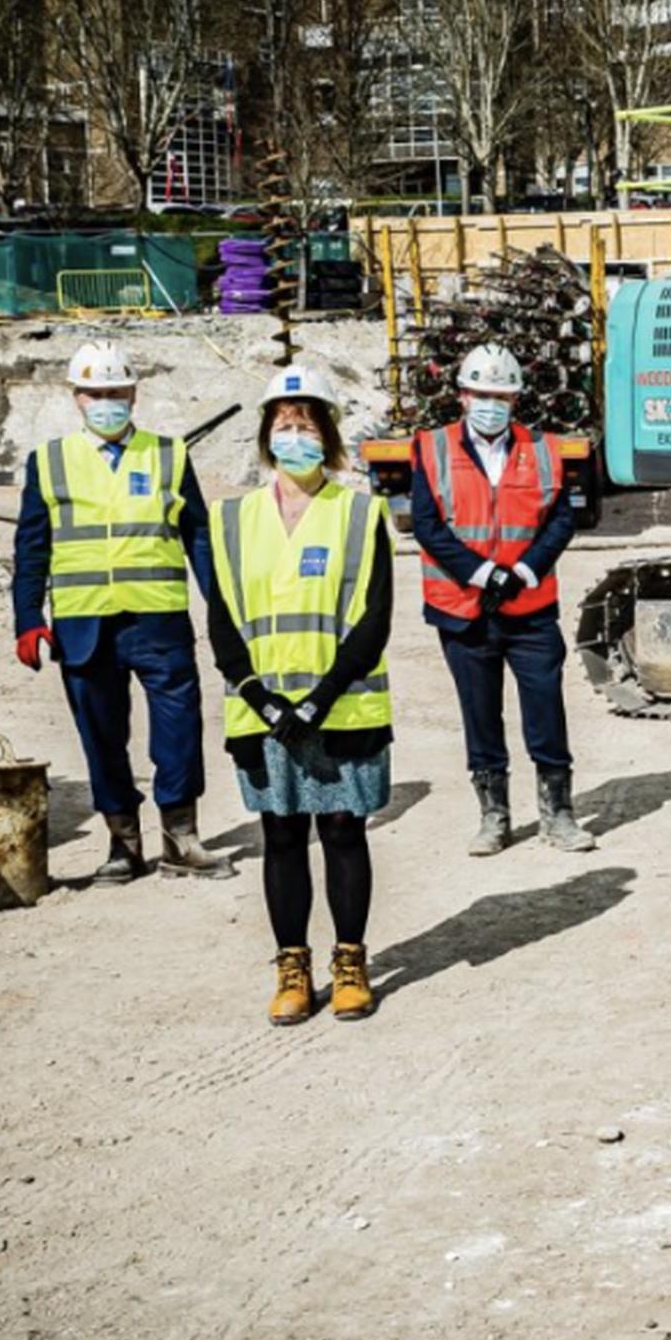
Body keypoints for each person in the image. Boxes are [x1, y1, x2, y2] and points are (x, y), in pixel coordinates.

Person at [204, 367, 394, 1025]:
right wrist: (259, 697)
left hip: (342, 707)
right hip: (263, 713)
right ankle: (292, 965)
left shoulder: (359, 512)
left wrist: (320, 699)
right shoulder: (232, 519)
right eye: (284, 427)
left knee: (343, 829)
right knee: (280, 835)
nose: (295, 438)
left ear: (331, 439)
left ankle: (349, 962)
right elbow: (223, 618)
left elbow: (374, 616)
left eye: (308, 427)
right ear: (264, 438)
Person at [12, 339, 224, 883]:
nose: (106, 401)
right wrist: (28, 618)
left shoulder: (170, 454)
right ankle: (122, 843)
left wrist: (220, 603)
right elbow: (32, 549)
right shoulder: (50, 461)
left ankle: (182, 837)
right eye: (95, 393)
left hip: (158, 621)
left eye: (116, 391)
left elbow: (198, 536)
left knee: (178, 731)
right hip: (84, 627)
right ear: (76, 398)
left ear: (133, 394)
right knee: (102, 736)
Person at [410, 342, 592, 856]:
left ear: (516, 400)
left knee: (545, 710)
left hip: (529, 609)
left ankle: (558, 813)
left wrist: (526, 571)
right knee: (480, 713)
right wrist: (484, 573)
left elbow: (560, 519)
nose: (491, 404)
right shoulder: (432, 447)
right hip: (463, 610)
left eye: (502, 396)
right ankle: (494, 814)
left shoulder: (542, 449)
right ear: (463, 396)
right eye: (482, 394)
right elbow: (427, 525)